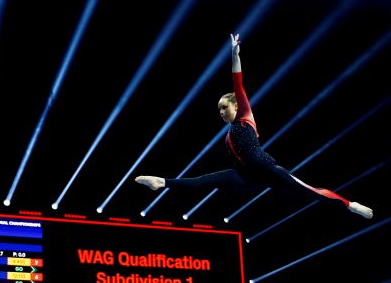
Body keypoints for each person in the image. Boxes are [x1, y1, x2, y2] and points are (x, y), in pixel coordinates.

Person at [135, 33, 373, 219]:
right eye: (218, 109)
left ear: (236, 106)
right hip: (248, 177)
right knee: (205, 180)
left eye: (224, 107)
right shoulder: (228, 136)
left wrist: (234, 54)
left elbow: (237, 82)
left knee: (309, 191)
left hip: (268, 169)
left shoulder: (245, 115)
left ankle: (349, 204)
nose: (221, 112)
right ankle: (162, 182)